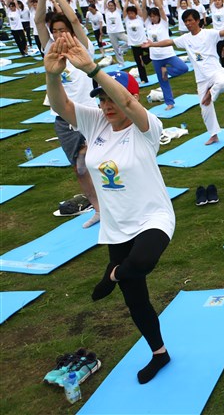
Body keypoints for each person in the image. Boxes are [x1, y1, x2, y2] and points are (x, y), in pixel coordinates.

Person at [44, 33, 175, 385]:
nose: (106, 106)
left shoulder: (147, 127)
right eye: (100, 99)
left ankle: (112, 274)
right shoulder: (96, 122)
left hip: (153, 217)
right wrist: (53, 75)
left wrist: (94, 69)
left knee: (141, 263)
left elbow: (131, 107)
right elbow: (62, 107)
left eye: (111, 98)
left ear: (129, 96)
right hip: (117, 226)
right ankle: (159, 353)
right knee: (136, 302)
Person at [33, 0, 102, 228]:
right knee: (80, 168)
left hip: (87, 113)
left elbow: (74, 18)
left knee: (97, 162)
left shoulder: (83, 47)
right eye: (56, 30)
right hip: (62, 118)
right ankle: (97, 208)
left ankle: (114, 201)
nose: (60, 34)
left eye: (64, 29)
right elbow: (39, 21)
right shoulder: (50, 49)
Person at [143, 8, 224, 145]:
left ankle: (211, 93)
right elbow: (169, 42)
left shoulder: (209, 34)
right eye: (185, 21)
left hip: (215, 72)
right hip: (201, 78)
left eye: (190, 20)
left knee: (223, 83)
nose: (188, 23)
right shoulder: (185, 38)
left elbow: (223, 32)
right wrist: (152, 44)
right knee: (205, 108)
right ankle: (214, 134)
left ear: (198, 21)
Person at [145, 0, 190, 110]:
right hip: (155, 56)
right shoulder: (148, 24)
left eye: (154, 16)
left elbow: (160, 7)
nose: (152, 18)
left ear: (158, 16)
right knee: (163, 81)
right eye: (151, 16)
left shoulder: (164, 23)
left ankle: (167, 70)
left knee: (183, 68)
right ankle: (169, 103)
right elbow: (143, 8)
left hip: (168, 54)